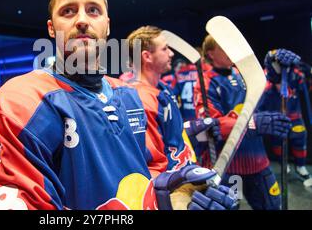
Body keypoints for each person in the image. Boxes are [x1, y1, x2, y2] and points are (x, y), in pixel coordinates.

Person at [0, 0, 237, 210]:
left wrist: (172, 195)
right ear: (52, 29)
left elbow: (152, 170)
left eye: (93, 10)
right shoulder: (16, 104)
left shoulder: (129, 96)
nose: (82, 20)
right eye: (68, 11)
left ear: (107, 25)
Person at [194, 35, 292, 210]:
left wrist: (276, 72)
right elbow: (211, 126)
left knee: (272, 206)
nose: (230, 51)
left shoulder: (243, 75)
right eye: (224, 47)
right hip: (227, 166)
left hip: (258, 160)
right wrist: (252, 123)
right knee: (230, 207)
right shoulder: (206, 82)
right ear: (211, 53)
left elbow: (267, 100)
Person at [125, 26, 221, 175]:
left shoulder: (163, 88)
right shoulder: (139, 99)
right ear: (147, 56)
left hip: (184, 173)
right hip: (171, 186)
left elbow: (169, 138)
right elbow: (151, 161)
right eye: (164, 49)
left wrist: (195, 131)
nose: (171, 53)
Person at [259, 49, 312, 183]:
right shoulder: (266, 75)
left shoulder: (296, 73)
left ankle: (301, 166)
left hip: (294, 113)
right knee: (277, 140)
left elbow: (305, 94)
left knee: (300, 137)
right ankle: (284, 164)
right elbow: (262, 98)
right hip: (275, 113)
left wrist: (309, 117)